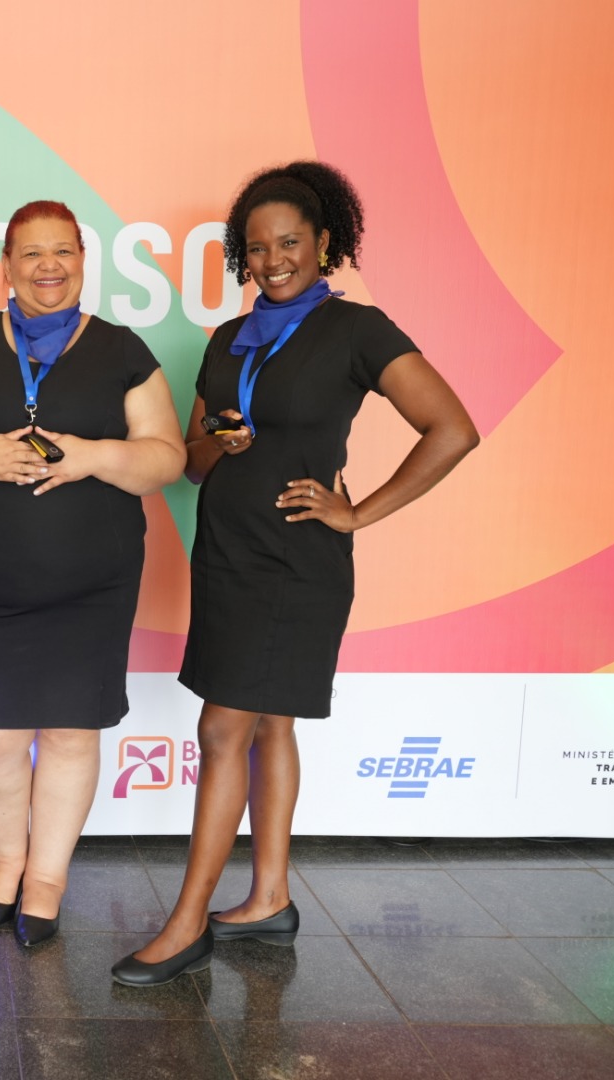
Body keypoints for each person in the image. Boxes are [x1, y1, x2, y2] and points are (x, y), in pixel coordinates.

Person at [112, 161, 479, 986]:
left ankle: (186, 924)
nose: (273, 259)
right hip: (226, 554)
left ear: (323, 243)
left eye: (289, 242)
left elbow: (452, 427)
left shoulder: (357, 329)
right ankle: (269, 898)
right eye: (257, 247)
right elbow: (193, 462)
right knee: (269, 726)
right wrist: (221, 442)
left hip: (294, 563)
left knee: (223, 731)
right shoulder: (226, 340)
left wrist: (358, 511)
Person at [0, 201, 187, 948]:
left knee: (68, 733)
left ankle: (48, 880)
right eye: (31, 253)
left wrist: (93, 456)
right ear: (7, 266)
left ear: (83, 262)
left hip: (92, 586)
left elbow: (167, 456)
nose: (48, 266)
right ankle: (7, 863)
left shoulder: (122, 350)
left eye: (62, 251)